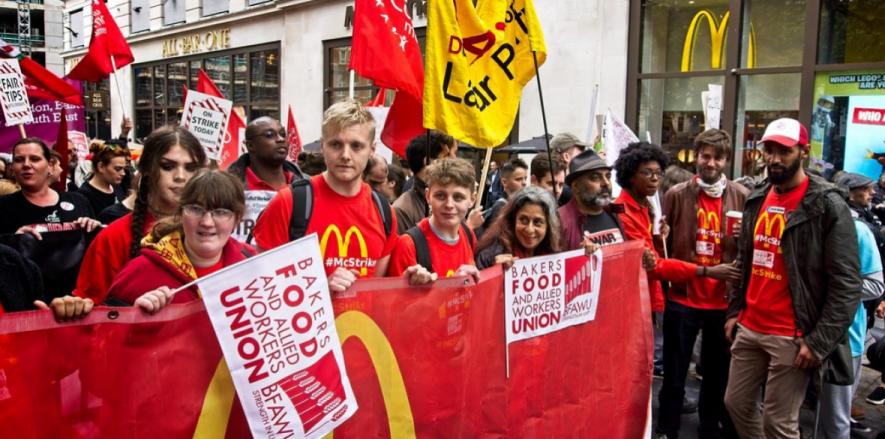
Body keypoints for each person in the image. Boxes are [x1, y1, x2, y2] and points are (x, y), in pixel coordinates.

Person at [723, 118, 861, 439]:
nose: (774, 158)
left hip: (792, 334)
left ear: (804, 152)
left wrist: (818, 342)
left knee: (779, 423)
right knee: (736, 403)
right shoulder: (758, 195)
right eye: (769, 150)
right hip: (751, 325)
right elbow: (744, 257)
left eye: (784, 151)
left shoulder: (826, 203)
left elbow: (847, 282)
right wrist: (734, 311)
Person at [656, 129, 748, 439]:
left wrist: (741, 239)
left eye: (717, 157)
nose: (710, 163)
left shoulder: (741, 196)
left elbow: (749, 247)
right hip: (683, 298)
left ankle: (709, 429)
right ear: (696, 156)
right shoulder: (677, 194)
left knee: (716, 375)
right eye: (704, 156)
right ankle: (668, 428)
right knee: (675, 374)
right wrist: (662, 233)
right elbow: (662, 244)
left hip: (723, 302)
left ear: (726, 160)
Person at [253, 100, 398, 293]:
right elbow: (260, 286)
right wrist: (321, 290)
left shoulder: (384, 212)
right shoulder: (289, 203)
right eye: (336, 144)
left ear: (372, 150)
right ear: (322, 146)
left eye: (356, 146)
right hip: (306, 323)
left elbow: (378, 293)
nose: (345, 155)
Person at [73, 126, 208, 304]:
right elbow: (91, 314)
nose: (181, 176)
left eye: (190, 168)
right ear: (146, 170)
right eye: (168, 166)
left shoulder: (212, 232)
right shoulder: (112, 238)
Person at [106, 170, 252, 311]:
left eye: (220, 212)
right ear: (181, 213)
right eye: (196, 209)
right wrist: (133, 316)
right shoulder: (138, 272)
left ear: (237, 219)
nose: (207, 222)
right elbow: (105, 331)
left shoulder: (253, 264)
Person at [816, 179, 884, 438]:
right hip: (806, 335)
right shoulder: (813, 227)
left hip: (845, 341)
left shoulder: (859, 231)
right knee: (814, 414)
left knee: (835, 420)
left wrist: (834, 289)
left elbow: (876, 286)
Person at [0, 138, 102, 301]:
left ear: (50, 165)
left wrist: (96, 229)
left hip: (78, 301)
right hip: (29, 305)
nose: (26, 164)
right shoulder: (3, 207)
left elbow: (97, 257)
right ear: (12, 168)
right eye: (19, 160)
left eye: (34, 159)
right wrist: (12, 241)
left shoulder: (79, 201)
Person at [387, 158, 479, 283]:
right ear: (428, 196)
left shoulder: (468, 234)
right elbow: (394, 300)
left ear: (472, 200)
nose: (449, 205)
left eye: (458, 197)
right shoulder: (409, 245)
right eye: (440, 196)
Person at [475, 186, 563, 270]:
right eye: (523, 220)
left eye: (537, 222)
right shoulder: (490, 256)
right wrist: (494, 272)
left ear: (548, 226)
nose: (530, 229)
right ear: (513, 220)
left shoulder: (556, 256)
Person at [558, 149, 624, 250]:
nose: (606, 183)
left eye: (608, 176)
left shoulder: (614, 213)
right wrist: (579, 257)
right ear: (576, 187)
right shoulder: (560, 221)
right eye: (595, 178)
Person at [394, 130, 457, 234]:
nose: (453, 159)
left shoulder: (450, 202)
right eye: (446, 156)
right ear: (427, 161)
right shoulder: (402, 209)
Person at [227, 117, 306, 192]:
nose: (281, 139)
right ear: (250, 145)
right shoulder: (227, 188)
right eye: (269, 134)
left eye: (282, 134)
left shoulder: (307, 185)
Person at [77, 140, 130, 215]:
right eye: (118, 169)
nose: (123, 173)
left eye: (124, 169)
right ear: (101, 166)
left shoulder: (117, 187)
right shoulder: (84, 195)